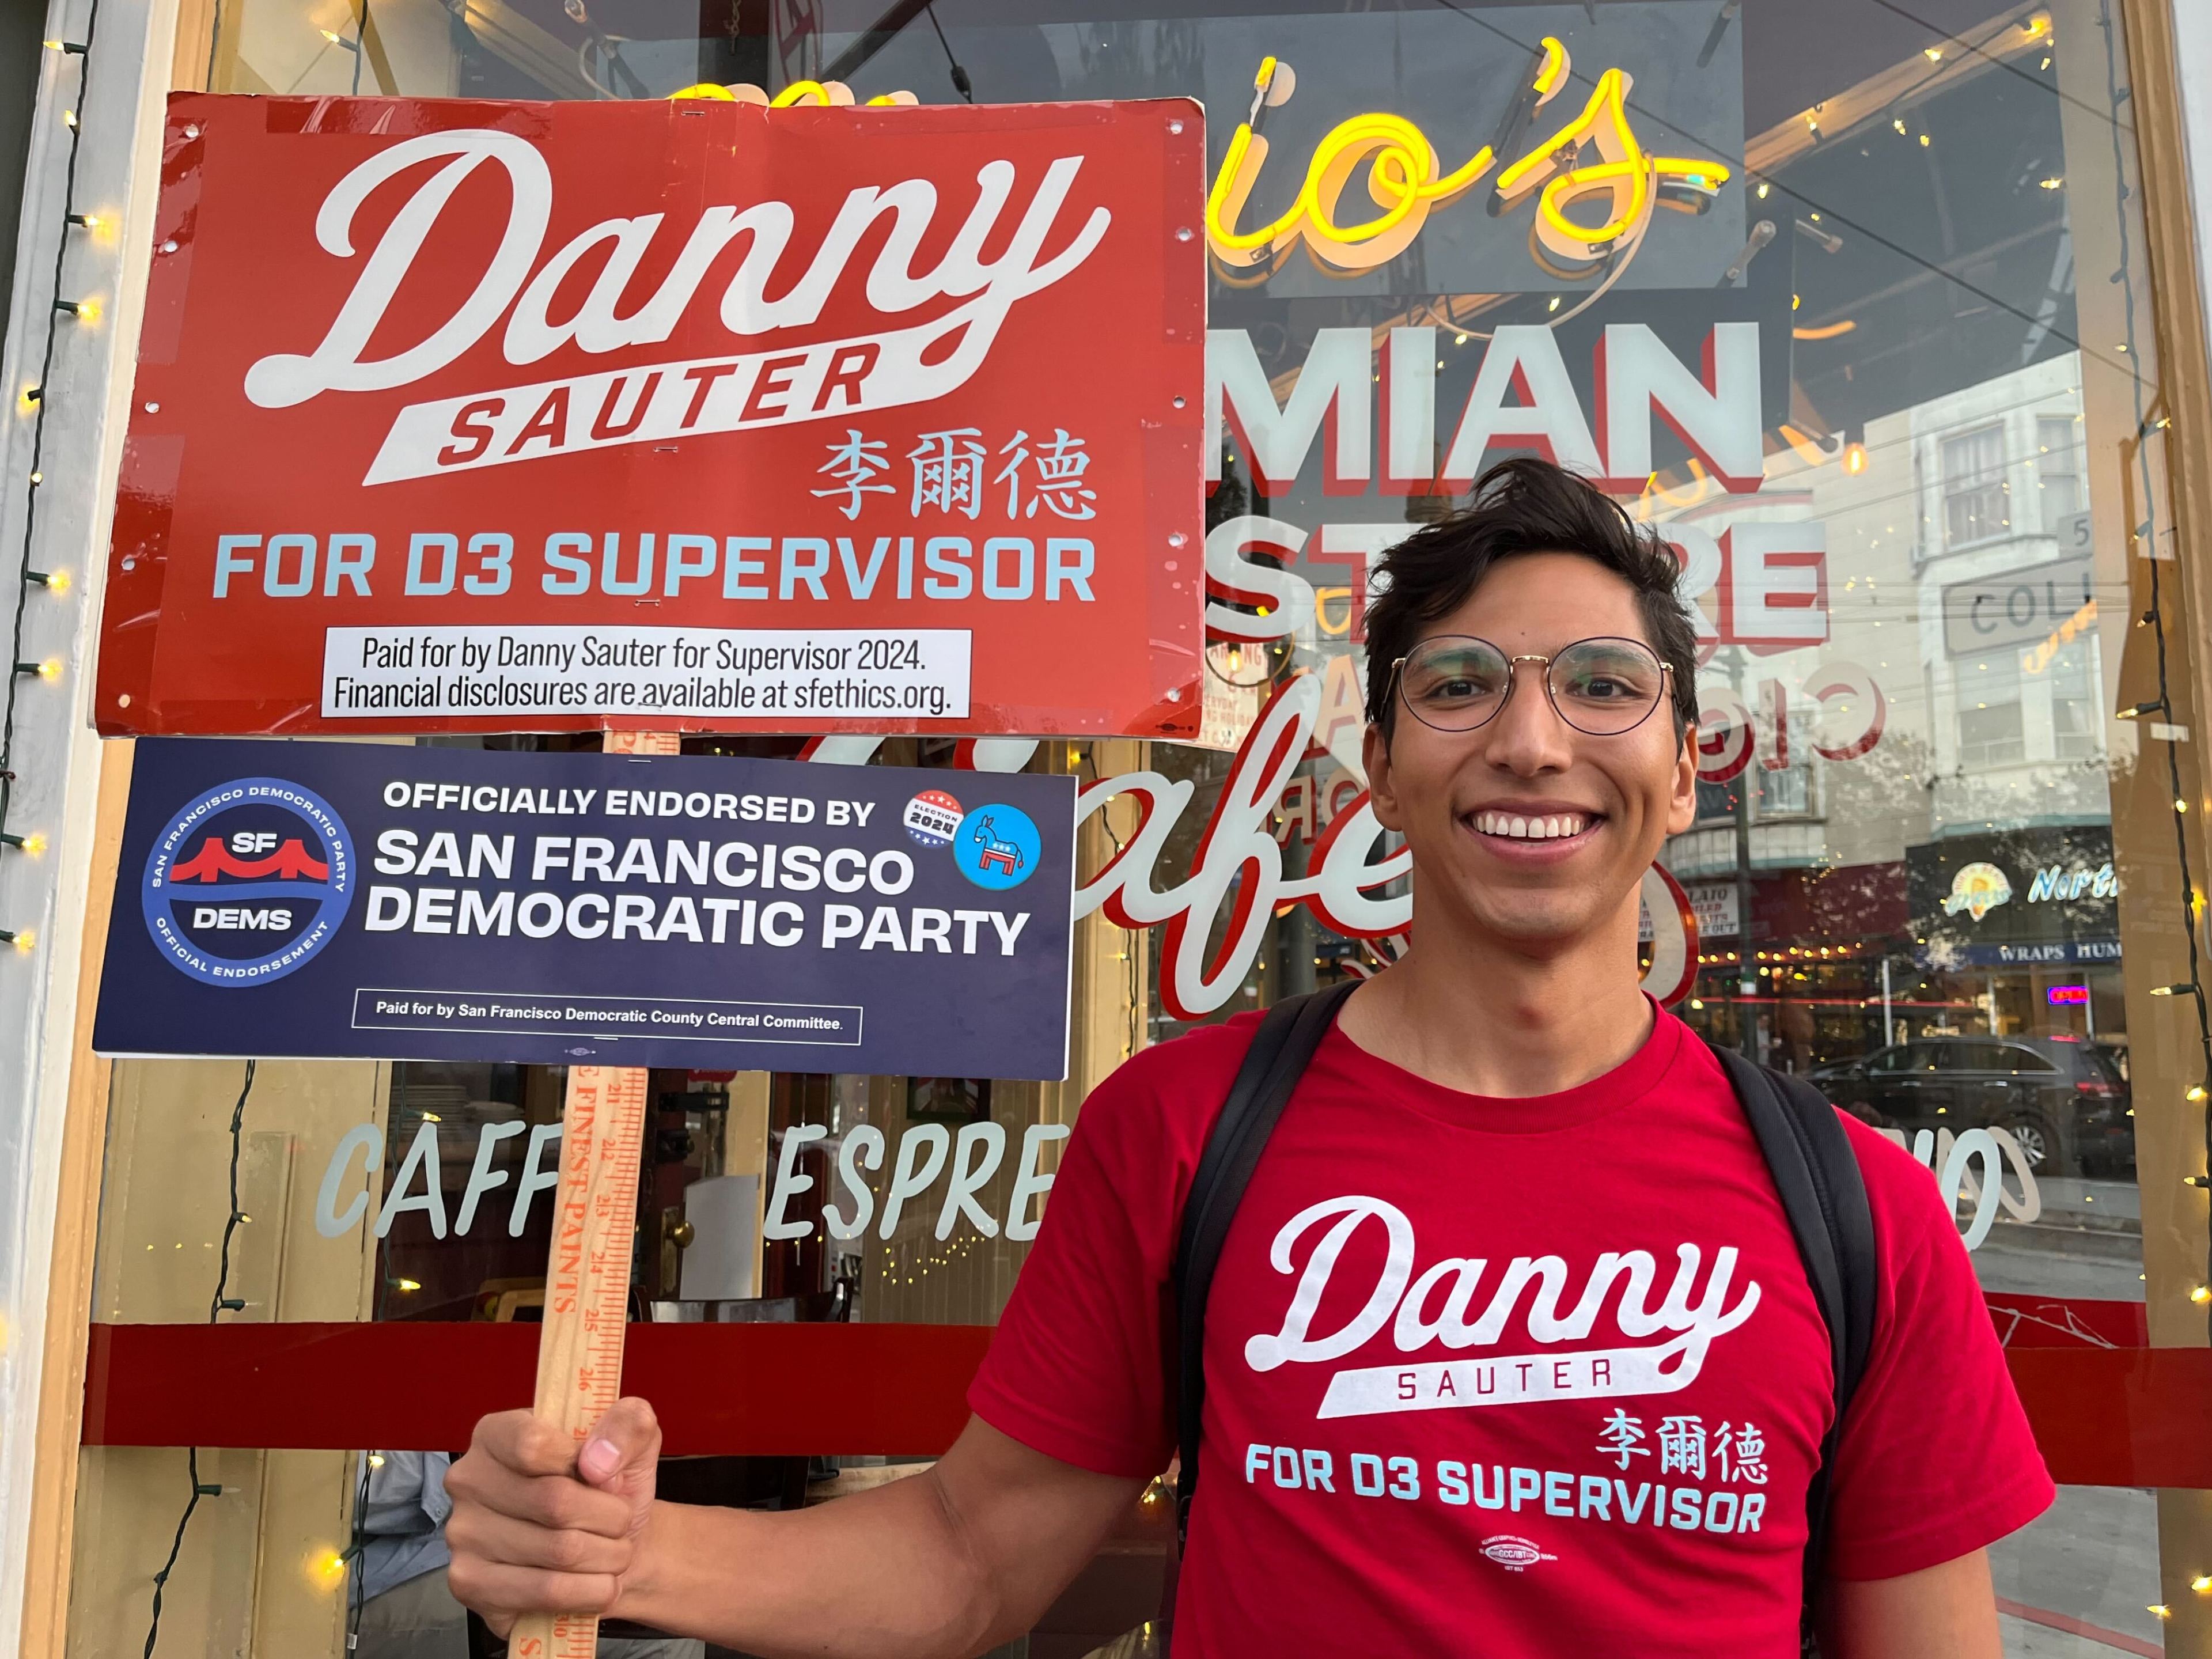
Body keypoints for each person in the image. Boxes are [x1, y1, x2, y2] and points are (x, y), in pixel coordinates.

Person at [443, 458, 2052, 1657]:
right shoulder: (1188, 1129)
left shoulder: (1853, 1208)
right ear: (1381, 769)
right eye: (1463, 688)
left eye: (1606, 689)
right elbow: (967, 1552)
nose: (1535, 741)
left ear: (1687, 771)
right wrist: (617, 1553)